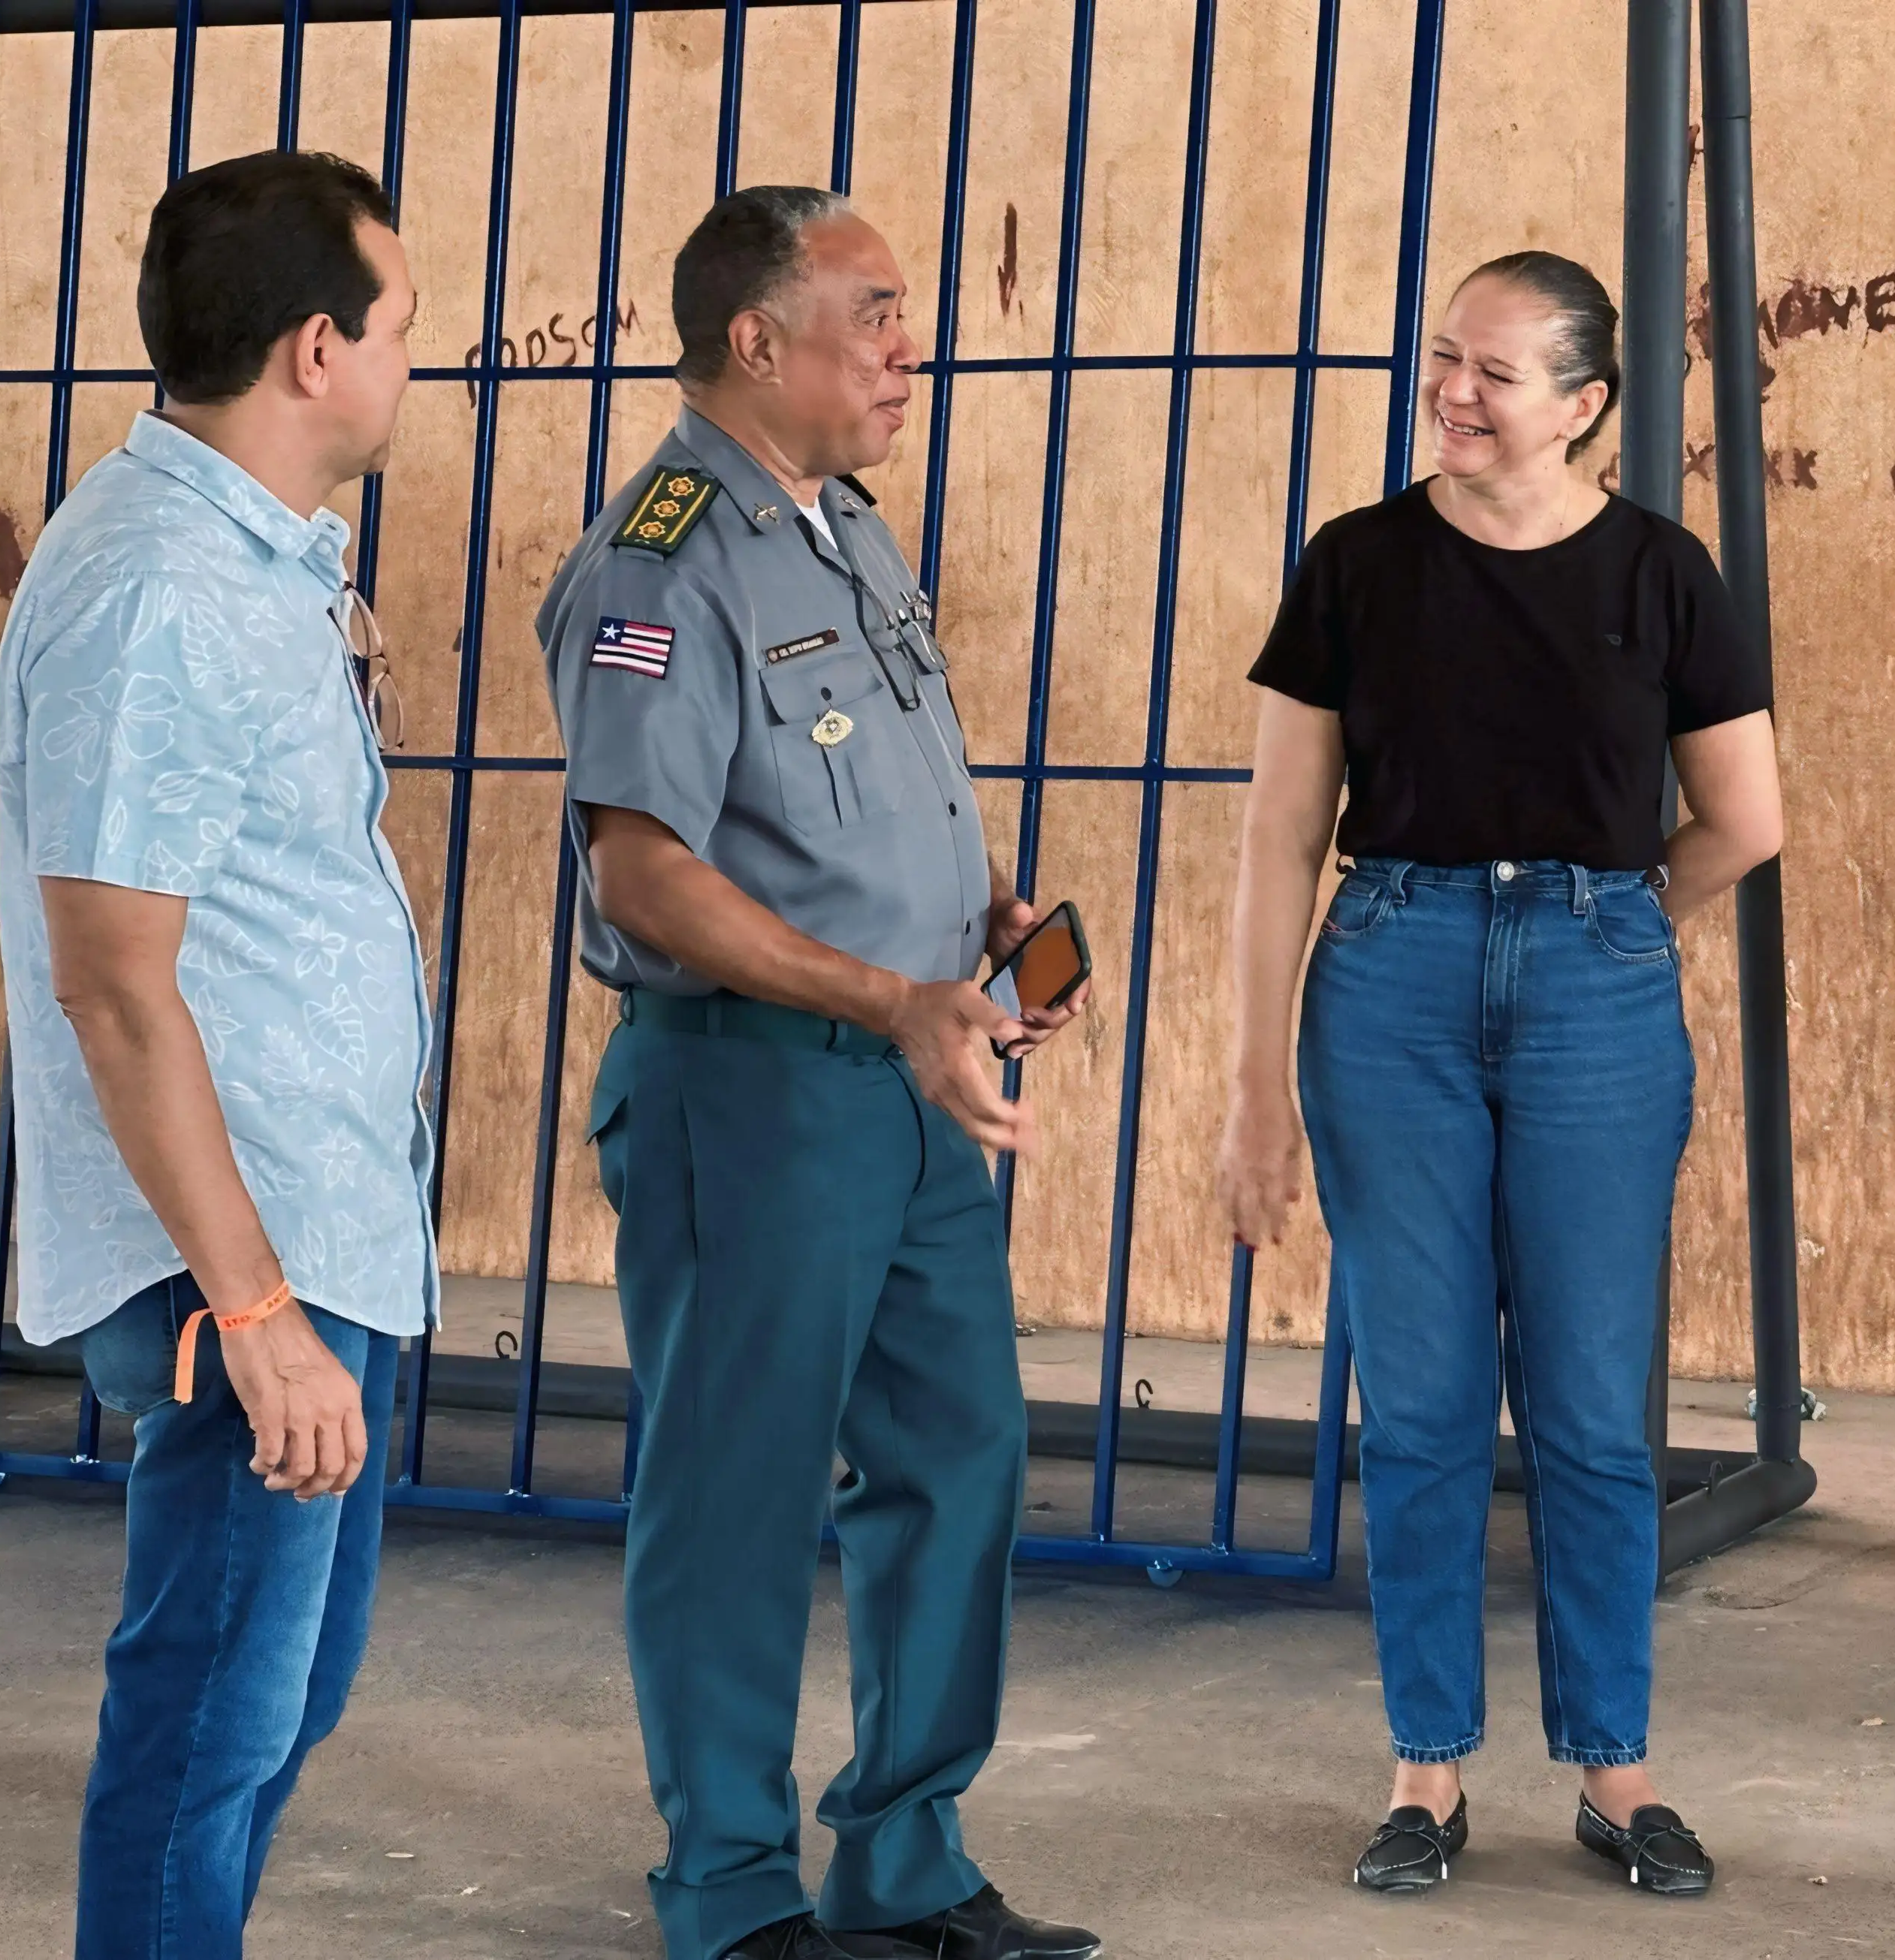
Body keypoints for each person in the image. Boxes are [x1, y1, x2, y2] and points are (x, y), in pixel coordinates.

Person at [536, 187, 1097, 1960]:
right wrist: (886, 990)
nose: (908, 349)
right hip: (754, 1095)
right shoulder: (664, 551)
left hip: (907, 1078)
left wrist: (980, 920)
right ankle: (728, 1891)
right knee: (740, 1491)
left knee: (960, 1461)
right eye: (874, 314)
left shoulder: (842, 528)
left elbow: (843, 797)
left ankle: (906, 1858)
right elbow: (641, 870)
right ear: (755, 340)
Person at [1216, 252, 1785, 1900]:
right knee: (1424, 1399)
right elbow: (1278, 838)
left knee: (1599, 1409)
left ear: (1587, 406)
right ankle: (1427, 1772)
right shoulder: (1356, 566)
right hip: (1386, 974)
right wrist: (1255, 1089)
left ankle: (1618, 1770)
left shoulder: (1666, 576)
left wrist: (1615, 930)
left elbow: (1748, 822)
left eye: (1497, 372)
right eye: (1443, 360)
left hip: (1595, 988)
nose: (1454, 393)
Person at [0, 151, 435, 1958]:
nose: (426, 359)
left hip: (316, 1229)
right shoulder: (160, 593)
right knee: (207, 1729)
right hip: (243, 1262)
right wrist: (255, 1319)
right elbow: (114, 982)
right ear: (316, 351)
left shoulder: (249, 567)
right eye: (402, 325)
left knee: (274, 1714)